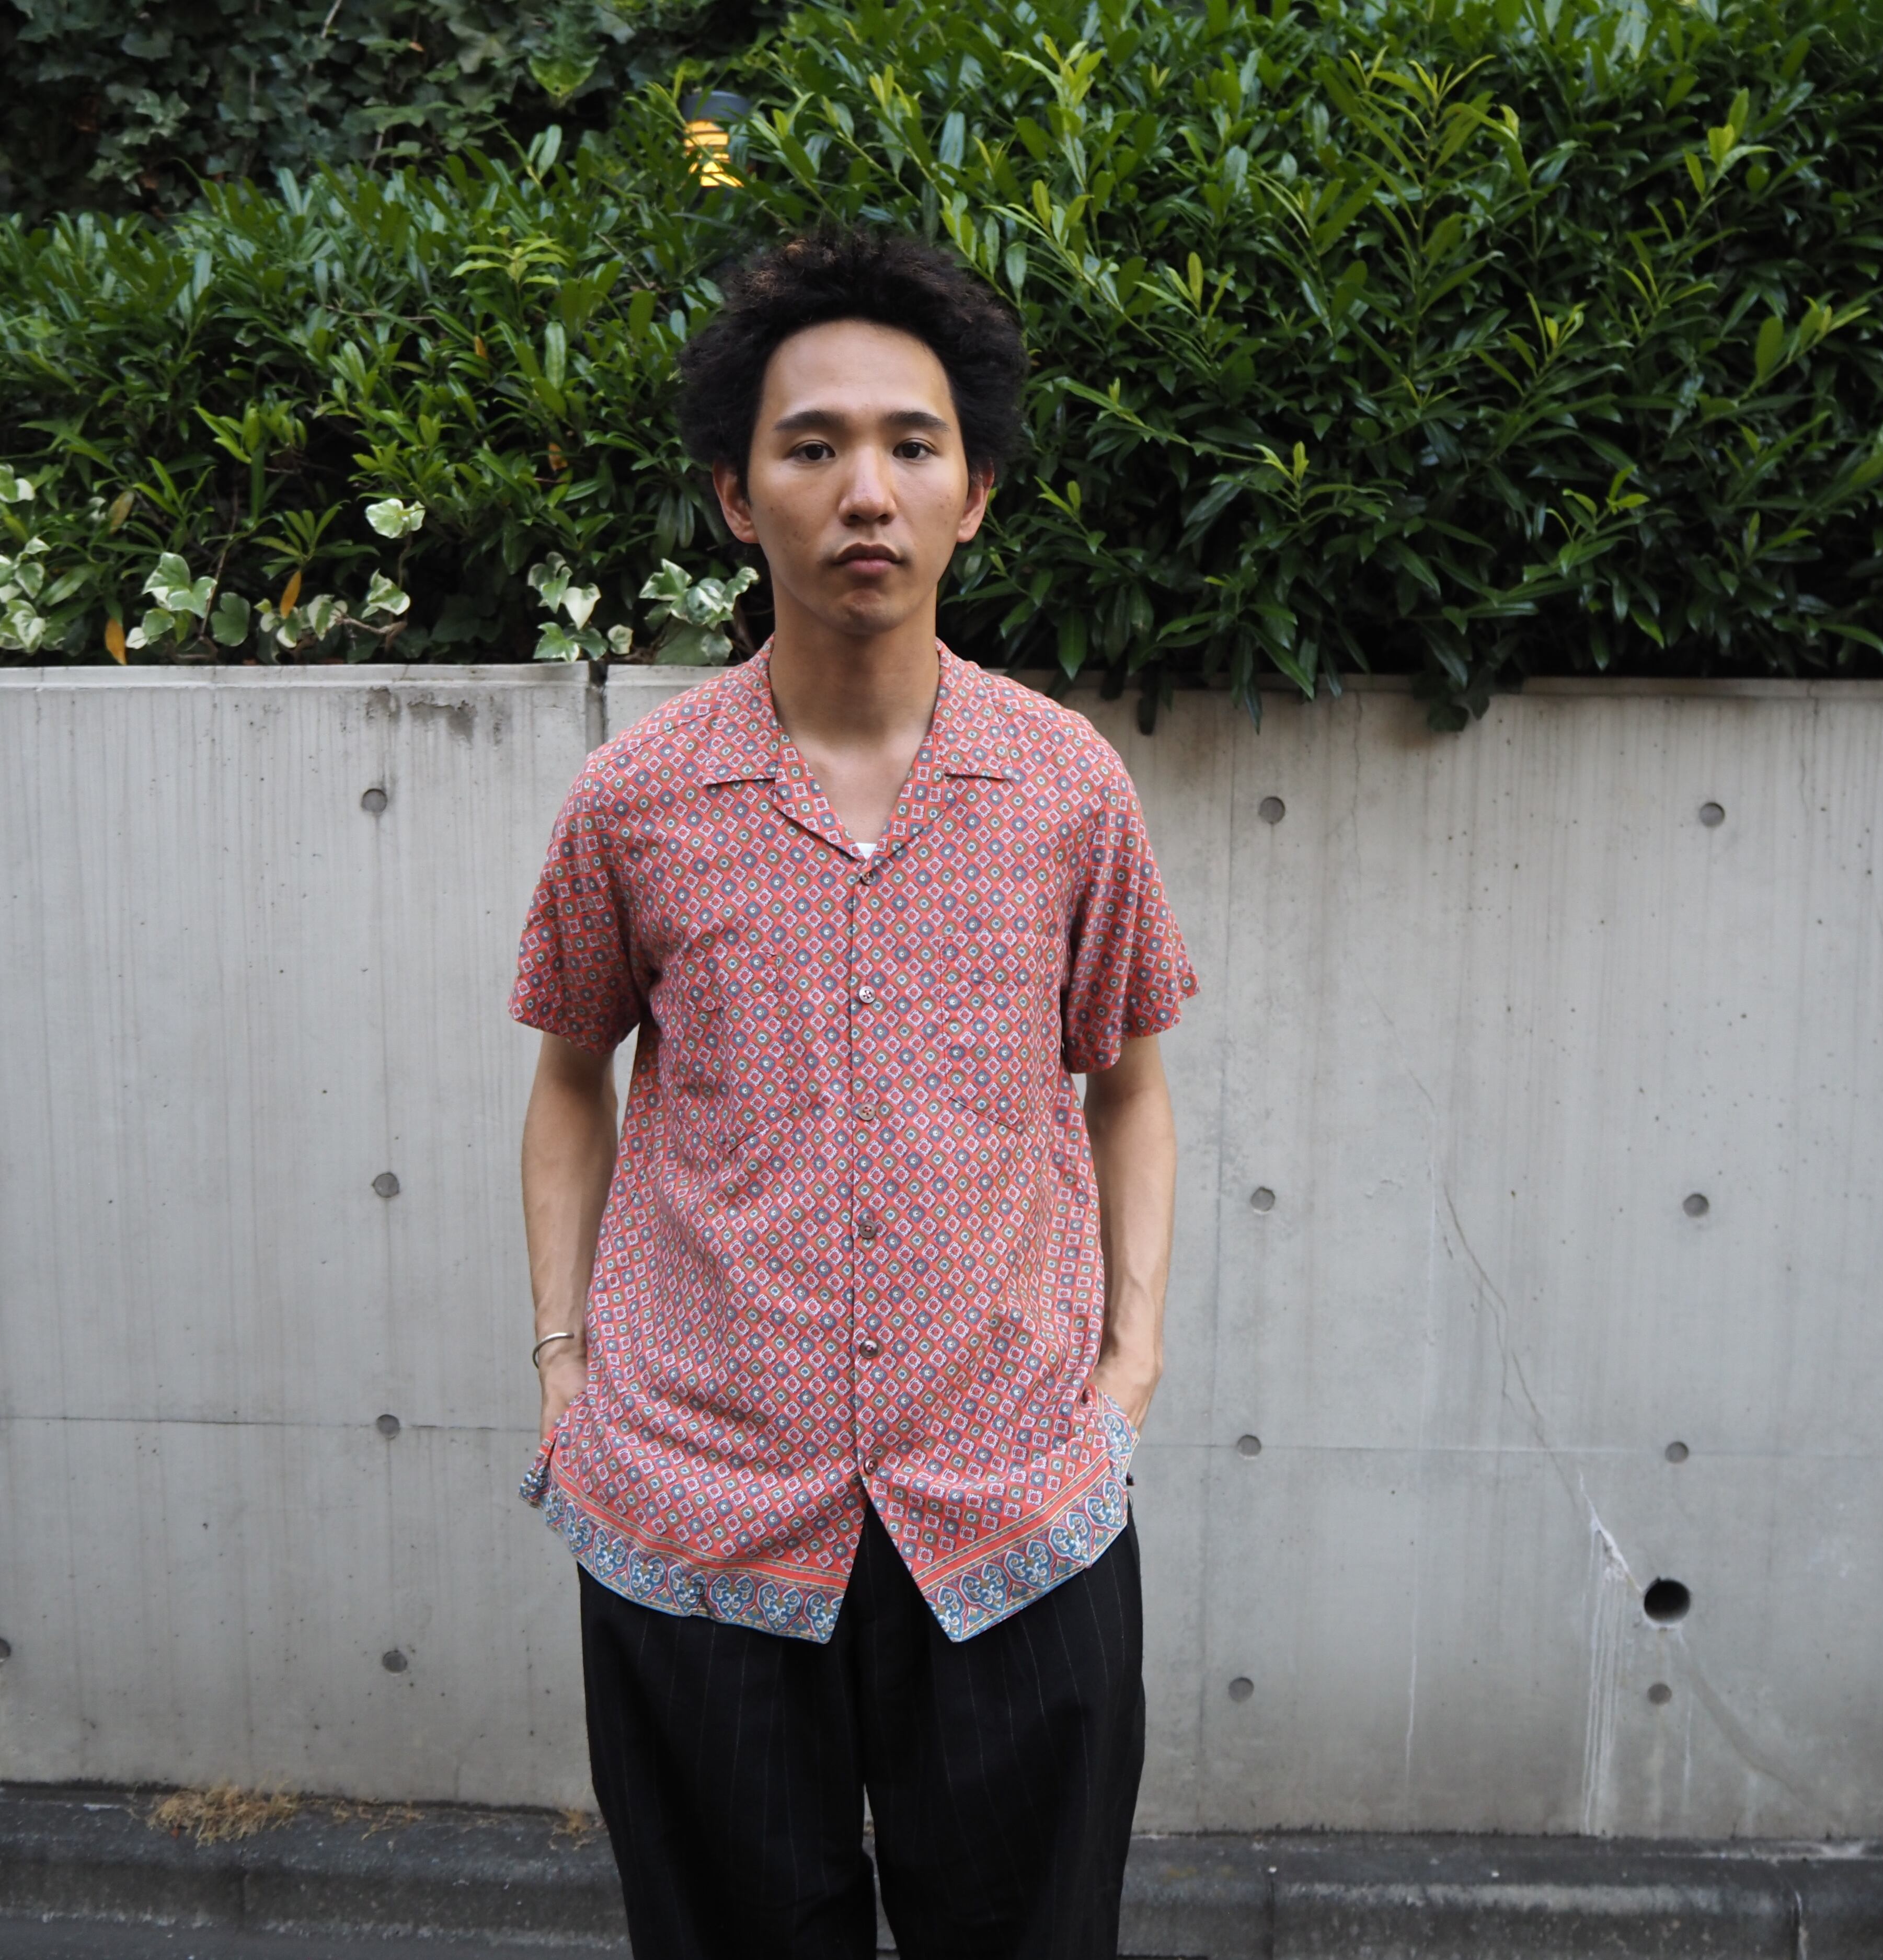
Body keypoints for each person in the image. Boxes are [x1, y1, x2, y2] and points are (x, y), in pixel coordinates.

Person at [509, 228, 1197, 1960]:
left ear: (977, 494)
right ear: (738, 499)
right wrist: (566, 1368)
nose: (865, 492)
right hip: (699, 1499)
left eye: (913, 444)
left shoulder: (1067, 787)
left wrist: (1127, 1370)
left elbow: (1128, 1085)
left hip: (1016, 1495)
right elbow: (572, 1076)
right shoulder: (636, 798)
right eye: (811, 447)